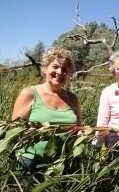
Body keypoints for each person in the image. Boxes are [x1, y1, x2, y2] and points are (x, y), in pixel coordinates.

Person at [12, 47, 82, 184]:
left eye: (64, 69)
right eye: (55, 67)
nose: (59, 72)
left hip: (63, 164)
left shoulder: (73, 99)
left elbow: (78, 128)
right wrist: (28, 131)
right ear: (44, 69)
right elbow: (14, 129)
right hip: (32, 163)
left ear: (68, 74)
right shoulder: (29, 93)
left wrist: (82, 133)